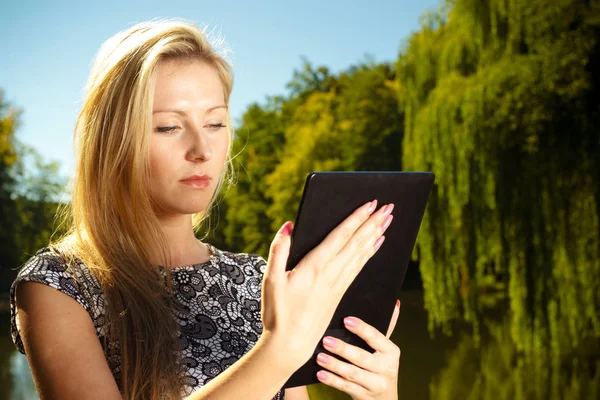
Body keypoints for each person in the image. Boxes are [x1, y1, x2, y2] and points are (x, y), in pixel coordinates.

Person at [9, 19, 401, 400]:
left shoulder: (258, 281)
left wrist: (381, 393)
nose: (203, 150)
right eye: (168, 127)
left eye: (215, 123)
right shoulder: (57, 287)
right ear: (112, 141)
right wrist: (279, 351)